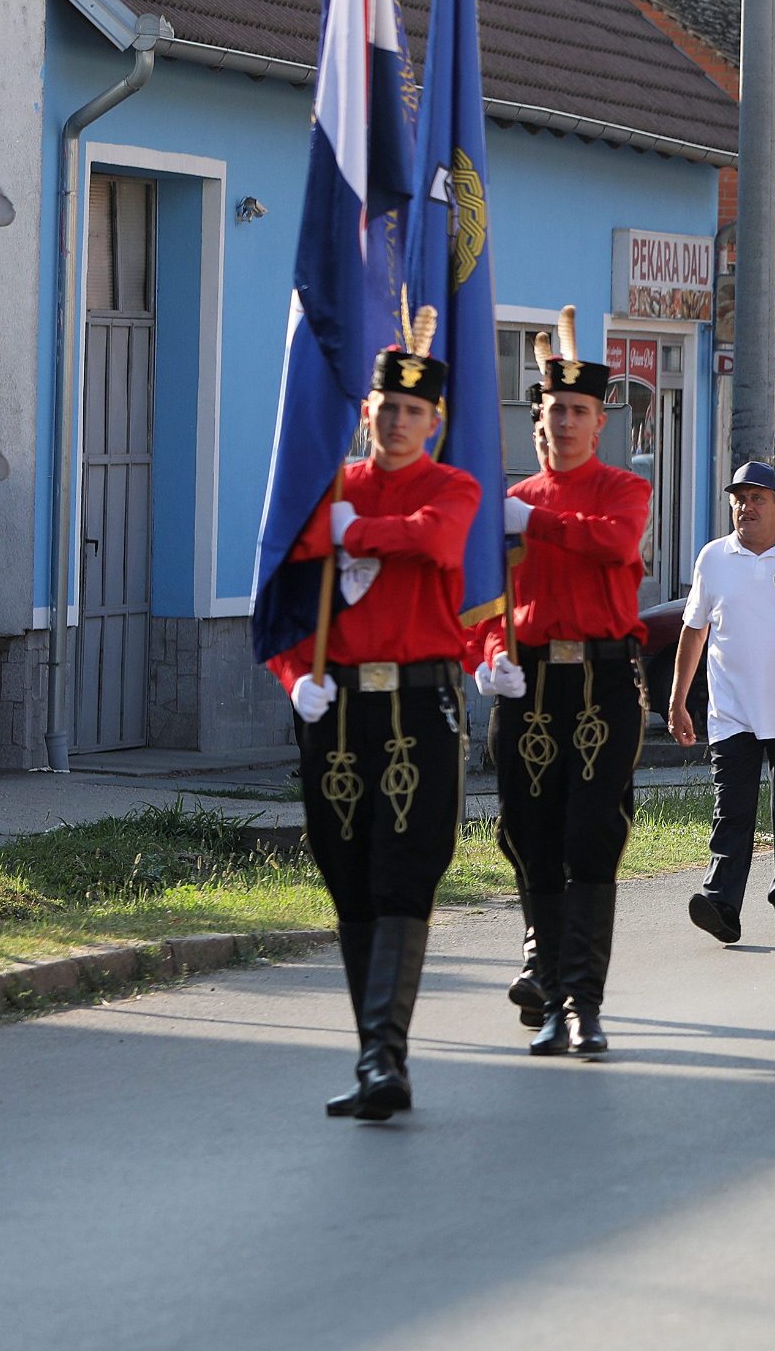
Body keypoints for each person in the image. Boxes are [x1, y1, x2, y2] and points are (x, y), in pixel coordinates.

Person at [265, 308, 481, 1122]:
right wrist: (295, 677)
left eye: (412, 410)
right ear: (366, 411)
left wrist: (357, 531)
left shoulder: (451, 486)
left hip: (418, 704)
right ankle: (373, 1061)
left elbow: (437, 541)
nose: (396, 421)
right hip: (339, 705)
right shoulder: (329, 487)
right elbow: (286, 592)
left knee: (404, 866)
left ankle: (384, 1055)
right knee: (347, 870)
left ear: (434, 421)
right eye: (386, 407)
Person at [473, 312, 650, 1057]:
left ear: (599, 422)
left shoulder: (623, 489)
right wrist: (488, 654)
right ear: (538, 419)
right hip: (531, 686)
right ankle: (547, 990)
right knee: (531, 835)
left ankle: (584, 1002)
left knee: (590, 834)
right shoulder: (514, 499)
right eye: (556, 410)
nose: (567, 422)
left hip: (602, 683)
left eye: (580, 410)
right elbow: (484, 599)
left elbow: (614, 542)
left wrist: (536, 522)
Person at [673, 463, 775, 945]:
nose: (746, 507)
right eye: (739, 499)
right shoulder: (714, 557)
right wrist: (677, 700)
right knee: (731, 809)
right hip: (732, 710)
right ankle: (721, 904)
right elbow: (694, 631)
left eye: (757, 498)